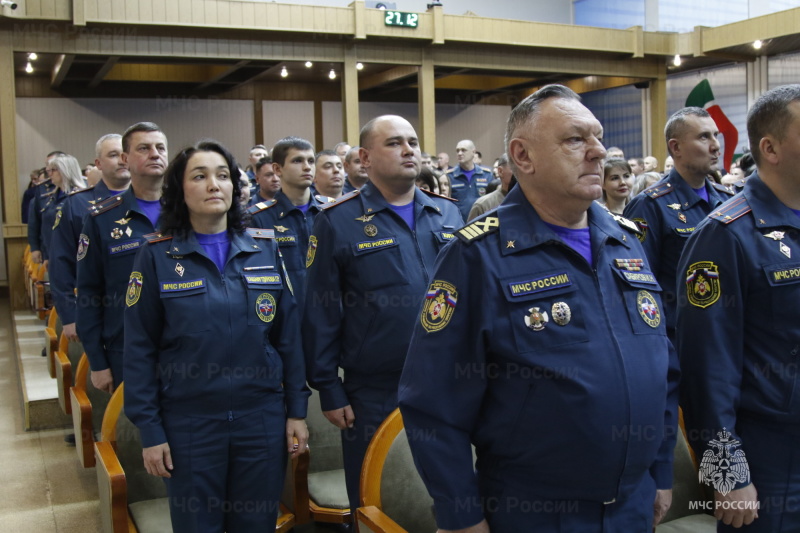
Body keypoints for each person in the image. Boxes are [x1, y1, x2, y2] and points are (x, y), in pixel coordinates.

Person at [399, 85, 678, 532]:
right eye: (575, 140)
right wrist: (461, 515)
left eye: (598, 137)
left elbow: (662, 366)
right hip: (535, 512)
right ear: (522, 157)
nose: (598, 152)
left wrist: (661, 469)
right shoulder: (477, 255)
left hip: (632, 504)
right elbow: (432, 402)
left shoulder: (626, 240)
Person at [124, 140, 309, 532]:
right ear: (180, 189)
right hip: (191, 422)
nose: (214, 185)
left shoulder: (264, 248)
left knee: (256, 524)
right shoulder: (156, 256)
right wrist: (151, 430)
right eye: (200, 176)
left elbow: (288, 337)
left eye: (223, 176)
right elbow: (139, 349)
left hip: (259, 418)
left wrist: (296, 410)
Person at [303, 115, 463, 514]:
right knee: (374, 500)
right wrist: (328, 386)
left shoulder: (448, 214)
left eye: (412, 141)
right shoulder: (336, 220)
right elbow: (320, 309)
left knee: (448, 492)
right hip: (374, 388)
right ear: (365, 157)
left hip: (450, 380)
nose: (409, 150)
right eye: (394, 143)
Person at [677, 84, 800, 532]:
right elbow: (706, 367)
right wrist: (727, 473)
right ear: (770, 148)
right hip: (771, 453)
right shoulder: (724, 235)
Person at [624, 107, 734, 338]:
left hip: (728, 331)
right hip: (680, 337)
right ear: (676, 147)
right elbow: (639, 287)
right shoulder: (650, 206)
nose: (715, 145)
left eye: (716, 135)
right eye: (704, 137)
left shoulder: (728, 200)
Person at [77, 122, 168, 394]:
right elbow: (89, 291)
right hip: (126, 348)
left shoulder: (188, 211)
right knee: (136, 433)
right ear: (126, 159)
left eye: (160, 147)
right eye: (144, 148)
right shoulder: (102, 218)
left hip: (187, 349)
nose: (155, 154)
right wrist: (97, 361)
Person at [50, 134, 131, 342]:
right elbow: (61, 262)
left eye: (124, 154)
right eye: (113, 155)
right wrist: (69, 315)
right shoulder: (77, 204)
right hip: (99, 310)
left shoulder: (152, 201)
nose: (121, 160)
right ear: (98, 164)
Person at [248, 136, 329, 316]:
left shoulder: (330, 212)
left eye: (310, 161)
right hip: (286, 317)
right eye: (297, 161)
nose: (307, 167)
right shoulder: (258, 218)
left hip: (329, 316)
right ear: (277, 169)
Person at [40, 154, 86, 267]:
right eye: (49, 170)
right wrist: (46, 255)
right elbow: (46, 228)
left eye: (53, 170)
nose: (49, 174)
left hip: (72, 258)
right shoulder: (51, 197)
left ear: (65, 170)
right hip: (54, 255)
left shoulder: (79, 197)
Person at [27, 151, 63, 264]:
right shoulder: (42, 188)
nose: (48, 168)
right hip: (48, 247)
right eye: (47, 164)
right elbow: (34, 221)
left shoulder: (79, 186)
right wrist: (35, 247)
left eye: (52, 165)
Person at [447, 139, 494, 220]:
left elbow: (492, 200)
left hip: (481, 221)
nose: (459, 153)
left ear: (473, 152)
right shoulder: (449, 176)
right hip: (459, 221)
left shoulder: (486, 174)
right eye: (457, 151)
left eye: (463, 150)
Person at [467, 153, 516, 221]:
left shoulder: (532, 202)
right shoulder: (483, 205)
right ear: (500, 171)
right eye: (515, 169)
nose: (521, 173)